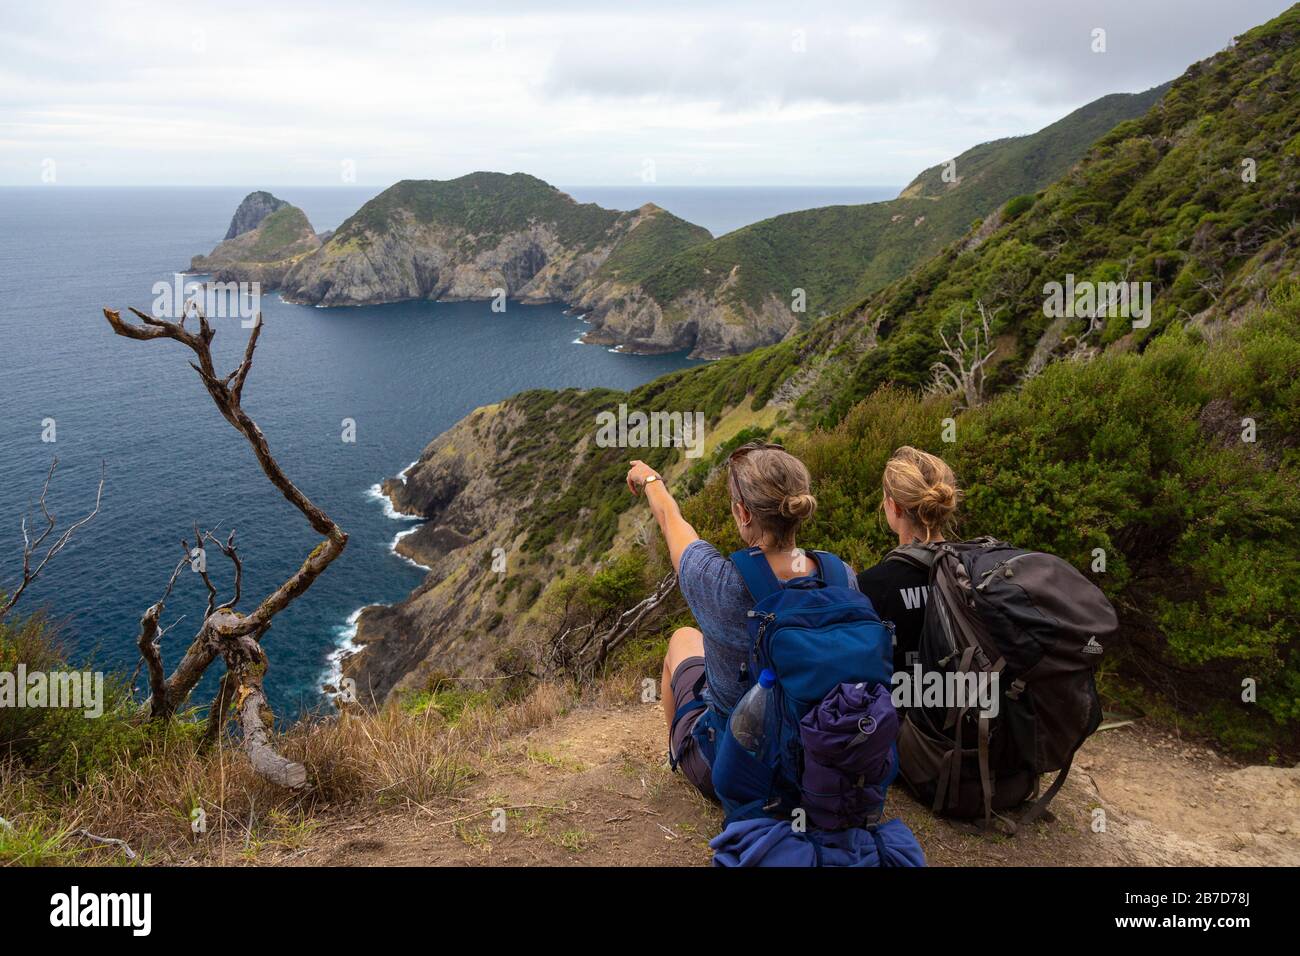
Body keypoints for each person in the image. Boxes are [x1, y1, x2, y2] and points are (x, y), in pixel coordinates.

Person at [625, 441, 862, 800]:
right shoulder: (841, 576)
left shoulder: (719, 582)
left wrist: (650, 478)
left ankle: (678, 755)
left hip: (733, 766)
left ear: (744, 513)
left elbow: (671, 521)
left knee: (683, 639)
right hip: (819, 762)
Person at [856, 446, 960, 671]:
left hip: (906, 703)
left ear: (895, 507)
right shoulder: (976, 570)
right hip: (982, 701)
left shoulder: (870, 585)